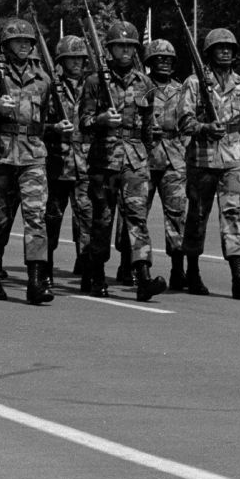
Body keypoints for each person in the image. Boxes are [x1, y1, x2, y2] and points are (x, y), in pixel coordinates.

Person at [0, 17, 67, 304]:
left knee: (36, 219)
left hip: (33, 156)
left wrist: (58, 129)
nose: (25, 46)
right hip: (0, 155)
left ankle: (37, 282)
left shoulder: (43, 79)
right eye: (19, 42)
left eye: (28, 42)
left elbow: (48, 119)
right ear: (6, 45)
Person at [79, 19, 165, 301]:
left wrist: (147, 155)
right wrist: (102, 119)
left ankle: (143, 278)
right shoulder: (94, 81)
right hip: (104, 159)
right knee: (102, 220)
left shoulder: (146, 83)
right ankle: (96, 273)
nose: (125, 51)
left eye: (130, 46)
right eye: (120, 46)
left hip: (135, 159)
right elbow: (84, 123)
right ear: (111, 49)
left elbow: (149, 125)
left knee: (137, 219)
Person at [178, 26, 240, 300]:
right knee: (197, 217)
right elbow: (184, 121)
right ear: (209, 53)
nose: (225, 51)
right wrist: (203, 127)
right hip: (202, 158)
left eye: (229, 48)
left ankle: (238, 276)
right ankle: (193, 271)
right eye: (219, 48)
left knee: (234, 214)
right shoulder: (194, 83)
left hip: (232, 158)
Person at [44, 34, 94, 290]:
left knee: (86, 219)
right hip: (57, 162)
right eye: (70, 58)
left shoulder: (93, 86)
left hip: (85, 163)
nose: (75, 62)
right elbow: (35, 123)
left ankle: (87, 270)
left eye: (79, 58)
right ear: (61, 61)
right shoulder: (49, 87)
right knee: (51, 218)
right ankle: (45, 267)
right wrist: (53, 127)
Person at [143, 38, 191, 293]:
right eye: (159, 59)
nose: (164, 63)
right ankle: (137, 266)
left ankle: (177, 269)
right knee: (137, 214)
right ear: (150, 62)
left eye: (169, 59)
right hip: (145, 156)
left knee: (177, 215)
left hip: (174, 157)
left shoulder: (182, 89)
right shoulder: (141, 87)